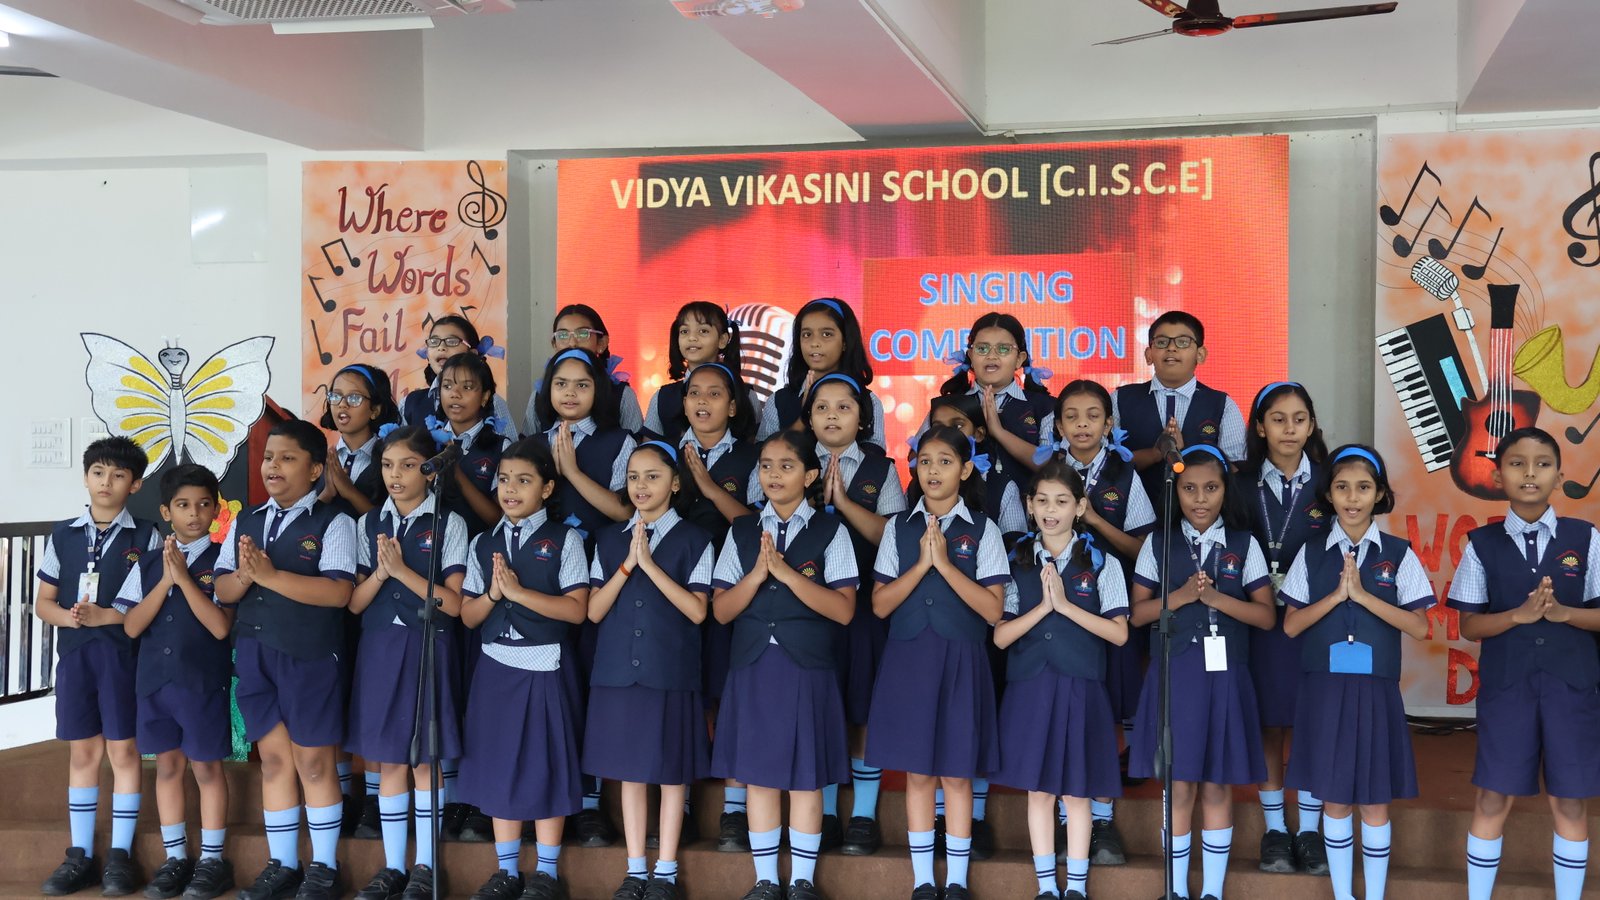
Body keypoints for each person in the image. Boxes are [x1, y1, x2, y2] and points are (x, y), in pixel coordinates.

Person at [1448, 427, 1600, 900]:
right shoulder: (1480, 544)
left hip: (1571, 688)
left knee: (1570, 801)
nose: (1530, 473)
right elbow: (1468, 626)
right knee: (1493, 795)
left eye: (1542, 464)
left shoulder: (1587, 538)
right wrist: (1518, 615)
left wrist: (1563, 614)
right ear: (1498, 476)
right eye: (1517, 463)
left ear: (1560, 476)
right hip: (1507, 688)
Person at [214, 420, 358, 900]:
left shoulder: (334, 522)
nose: (273, 466)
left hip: (309, 656)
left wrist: (270, 576)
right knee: (274, 761)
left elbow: (338, 593)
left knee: (313, 762)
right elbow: (224, 589)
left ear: (316, 469)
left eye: (288, 458)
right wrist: (247, 576)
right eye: (269, 457)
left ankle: (324, 867)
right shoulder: (246, 521)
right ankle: (282, 864)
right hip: (256, 654)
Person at [1281, 444, 1432, 900]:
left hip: (1375, 689)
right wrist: (1336, 596)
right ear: (1328, 494)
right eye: (1342, 487)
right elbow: (1291, 626)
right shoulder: (1311, 552)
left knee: (1374, 800)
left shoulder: (1398, 554)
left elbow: (1420, 627)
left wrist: (1364, 596)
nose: (1352, 497)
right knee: (1335, 799)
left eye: (1364, 488)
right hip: (1325, 689)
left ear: (1379, 494)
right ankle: (1344, 894)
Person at [711, 431, 857, 900]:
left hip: (806, 667)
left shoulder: (832, 531)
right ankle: (766, 880)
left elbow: (844, 610)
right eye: (766, 466)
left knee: (805, 779)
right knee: (759, 776)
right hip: (753, 665)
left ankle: (802, 881)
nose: (773, 475)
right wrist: (757, 574)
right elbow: (721, 611)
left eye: (786, 466)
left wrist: (787, 575)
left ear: (810, 475)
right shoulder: (741, 532)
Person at [867, 425, 1009, 900]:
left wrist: (945, 565)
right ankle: (924, 880)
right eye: (925, 461)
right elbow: (880, 605)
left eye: (945, 462)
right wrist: (922, 565)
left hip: (961, 659)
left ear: (965, 470)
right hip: (909, 661)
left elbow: (994, 610)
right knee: (919, 773)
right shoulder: (898, 527)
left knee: (956, 773)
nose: (933, 470)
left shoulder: (983, 528)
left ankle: (958, 881)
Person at [1127, 444, 1275, 900]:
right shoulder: (1158, 543)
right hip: (1175, 676)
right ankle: (1174, 890)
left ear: (1225, 490)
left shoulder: (1244, 544)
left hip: (1225, 675)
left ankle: (1211, 891)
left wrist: (1215, 599)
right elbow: (1137, 614)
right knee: (1179, 784)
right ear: (1175, 492)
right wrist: (1182, 596)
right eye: (1189, 489)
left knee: (1216, 784)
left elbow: (1265, 616)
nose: (1200, 498)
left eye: (1210, 488)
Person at [457, 439, 592, 900]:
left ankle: (547, 872)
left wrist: (518, 594)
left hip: (546, 665)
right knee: (499, 764)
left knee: (546, 764)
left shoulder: (565, 539)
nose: (510, 489)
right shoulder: (482, 542)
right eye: (503, 480)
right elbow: (468, 616)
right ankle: (507, 870)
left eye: (523, 480)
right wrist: (494, 596)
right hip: (496, 665)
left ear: (547, 488)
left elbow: (576, 610)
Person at [992, 461, 1130, 900]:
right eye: (1043, 501)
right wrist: (1044, 608)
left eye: (1062, 501)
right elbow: (1000, 636)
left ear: (1080, 507)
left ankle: (1076, 887)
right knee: (1038, 790)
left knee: (1077, 792)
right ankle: (1045, 886)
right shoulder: (1015, 560)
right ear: (1030, 506)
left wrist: (1067, 607)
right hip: (1030, 687)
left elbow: (1119, 633)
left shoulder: (1102, 562)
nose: (1051, 510)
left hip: (1080, 686)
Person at [586, 442, 716, 900]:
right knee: (631, 774)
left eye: (653, 476)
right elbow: (594, 611)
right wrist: (627, 564)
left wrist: (650, 565)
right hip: (618, 672)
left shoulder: (696, 539)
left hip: (669, 670)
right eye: (634, 477)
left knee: (671, 774)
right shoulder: (608, 539)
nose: (641, 485)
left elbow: (697, 611)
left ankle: (666, 871)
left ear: (675, 483)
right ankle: (635, 869)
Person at [346, 425, 470, 900]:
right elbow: (355, 603)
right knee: (390, 760)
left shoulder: (448, 523)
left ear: (429, 471)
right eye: (386, 465)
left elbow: (453, 605)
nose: (395, 475)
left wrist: (402, 571)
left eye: (407, 465)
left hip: (427, 647)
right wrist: (382, 574)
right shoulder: (368, 523)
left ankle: (425, 866)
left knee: (424, 761)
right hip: (380, 648)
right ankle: (393, 866)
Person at [1035, 379, 1155, 865]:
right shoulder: (1048, 473)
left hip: (1108, 606)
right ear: (1057, 425)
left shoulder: (1125, 474)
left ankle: (1101, 821)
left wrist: (1094, 522)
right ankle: (1067, 822)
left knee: (1104, 713)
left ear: (1109, 424)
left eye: (1092, 416)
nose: (1081, 425)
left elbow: (1143, 550)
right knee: (1061, 715)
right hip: (1054, 611)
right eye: (1071, 416)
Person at [37, 436, 160, 897]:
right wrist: (70, 617)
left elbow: (151, 604)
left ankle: (120, 857)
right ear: (86, 477)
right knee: (83, 753)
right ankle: (81, 856)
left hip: (122, 658)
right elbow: (43, 603)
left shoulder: (146, 535)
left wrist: (107, 616)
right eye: (98, 472)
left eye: (118, 475)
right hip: (75, 657)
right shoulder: (63, 534)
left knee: (123, 752)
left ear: (135, 484)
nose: (106, 482)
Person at [800, 373, 907, 856]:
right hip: (807, 607)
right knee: (822, 705)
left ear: (863, 418)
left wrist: (842, 502)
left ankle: (863, 815)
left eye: (843, 407)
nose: (832, 416)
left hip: (863, 605)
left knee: (861, 704)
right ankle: (824, 813)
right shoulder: (793, 461)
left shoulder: (881, 469)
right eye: (821, 407)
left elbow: (893, 536)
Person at [116, 465, 232, 900]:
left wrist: (184, 580)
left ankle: (212, 860)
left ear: (216, 509)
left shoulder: (223, 561)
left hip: (201, 683)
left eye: (203, 504)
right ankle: (176, 857)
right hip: (155, 685)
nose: (194, 514)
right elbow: (131, 626)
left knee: (206, 767)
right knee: (167, 766)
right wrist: (166, 579)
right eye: (183, 505)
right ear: (166, 512)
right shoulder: (148, 564)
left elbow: (220, 627)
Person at [670, 361, 761, 854]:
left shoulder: (753, 457)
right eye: (694, 393)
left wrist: (708, 488)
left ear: (732, 405)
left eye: (714, 393)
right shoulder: (665, 452)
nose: (702, 401)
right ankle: (680, 804)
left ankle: (734, 809)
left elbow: (757, 523)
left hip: (732, 588)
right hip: (674, 590)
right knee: (682, 694)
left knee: (728, 695)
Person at [1243, 381, 1331, 875]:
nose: (1289, 429)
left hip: (1314, 621)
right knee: (1269, 723)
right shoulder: (1238, 482)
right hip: (1258, 623)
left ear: (1312, 425)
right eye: (1277, 419)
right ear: (1260, 427)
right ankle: (1276, 828)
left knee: (1312, 722)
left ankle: (1311, 830)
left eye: (1299, 419)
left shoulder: (1331, 481)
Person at [1111, 312, 1247, 503]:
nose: (1172, 348)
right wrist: (1155, 454)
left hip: (1199, 513)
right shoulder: (1120, 399)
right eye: (1162, 342)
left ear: (1200, 354)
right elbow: (1106, 465)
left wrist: (1183, 452)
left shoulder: (1222, 404)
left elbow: (1233, 470)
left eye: (1183, 342)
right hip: (1133, 513)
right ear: (1149, 355)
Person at [935, 312, 1055, 490]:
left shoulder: (1045, 406)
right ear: (971, 356)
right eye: (982, 349)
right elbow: (918, 461)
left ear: (1019, 359)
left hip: (1029, 505)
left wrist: (998, 432)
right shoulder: (947, 406)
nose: (991, 356)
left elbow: (1052, 467)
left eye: (1003, 349)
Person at [757, 298, 886, 450]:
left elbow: (874, 457)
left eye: (826, 334)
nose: (814, 343)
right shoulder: (778, 401)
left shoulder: (869, 401)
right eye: (807, 334)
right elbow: (763, 456)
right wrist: (804, 417)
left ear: (845, 342)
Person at [426, 352, 511, 538]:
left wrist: (456, 472)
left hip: (479, 548)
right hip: (430, 547)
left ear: (485, 396)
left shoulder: (501, 446)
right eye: (447, 386)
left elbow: (500, 518)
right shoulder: (425, 441)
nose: (455, 394)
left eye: (467, 387)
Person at [524, 304, 643, 435]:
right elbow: (527, 443)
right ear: (554, 344)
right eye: (563, 335)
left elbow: (637, 443)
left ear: (601, 343)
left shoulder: (622, 395)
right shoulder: (539, 396)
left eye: (582, 334)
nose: (572, 343)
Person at [643, 301, 750, 444]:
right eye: (684, 331)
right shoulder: (662, 397)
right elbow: (648, 448)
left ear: (722, 340)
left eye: (703, 331)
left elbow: (754, 446)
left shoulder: (746, 394)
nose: (692, 338)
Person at [401, 315, 517, 439]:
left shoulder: (491, 400)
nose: (441, 347)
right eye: (434, 342)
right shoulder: (409, 403)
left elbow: (510, 448)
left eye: (452, 341)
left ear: (472, 354)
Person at [319, 364, 400, 520]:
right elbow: (305, 522)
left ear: (375, 410)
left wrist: (349, 491)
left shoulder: (389, 459)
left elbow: (389, 523)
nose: (342, 404)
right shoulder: (322, 457)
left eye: (354, 398)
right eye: (336, 396)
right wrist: (327, 493)